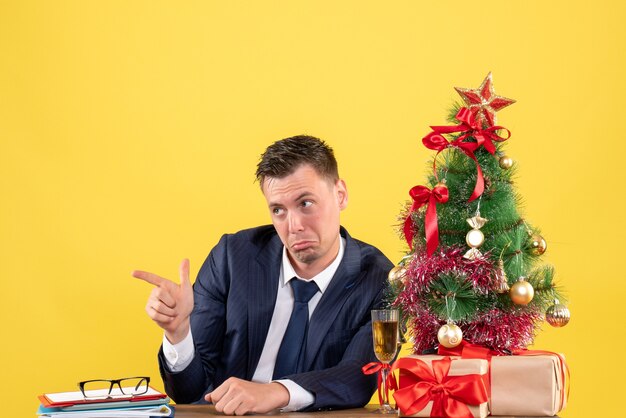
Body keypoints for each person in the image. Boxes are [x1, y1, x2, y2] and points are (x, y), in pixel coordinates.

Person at [133, 135, 393, 415]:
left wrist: (277, 392)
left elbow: (360, 377)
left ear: (340, 195)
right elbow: (189, 393)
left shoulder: (381, 279)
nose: (293, 226)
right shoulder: (231, 257)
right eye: (278, 210)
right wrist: (178, 333)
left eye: (305, 203)